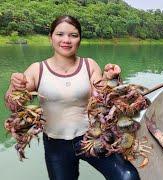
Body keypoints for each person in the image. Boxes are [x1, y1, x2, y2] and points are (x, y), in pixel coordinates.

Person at [4, 15, 140, 180]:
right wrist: (14, 86)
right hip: (56, 146)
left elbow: (103, 96)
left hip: (92, 137)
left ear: (80, 39)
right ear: (50, 37)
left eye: (73, 35)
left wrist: (110, 77)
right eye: (60, 34)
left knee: (128, 176)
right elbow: (14, 106)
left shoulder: (89, 65)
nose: (66, 40)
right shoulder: (37, 70)